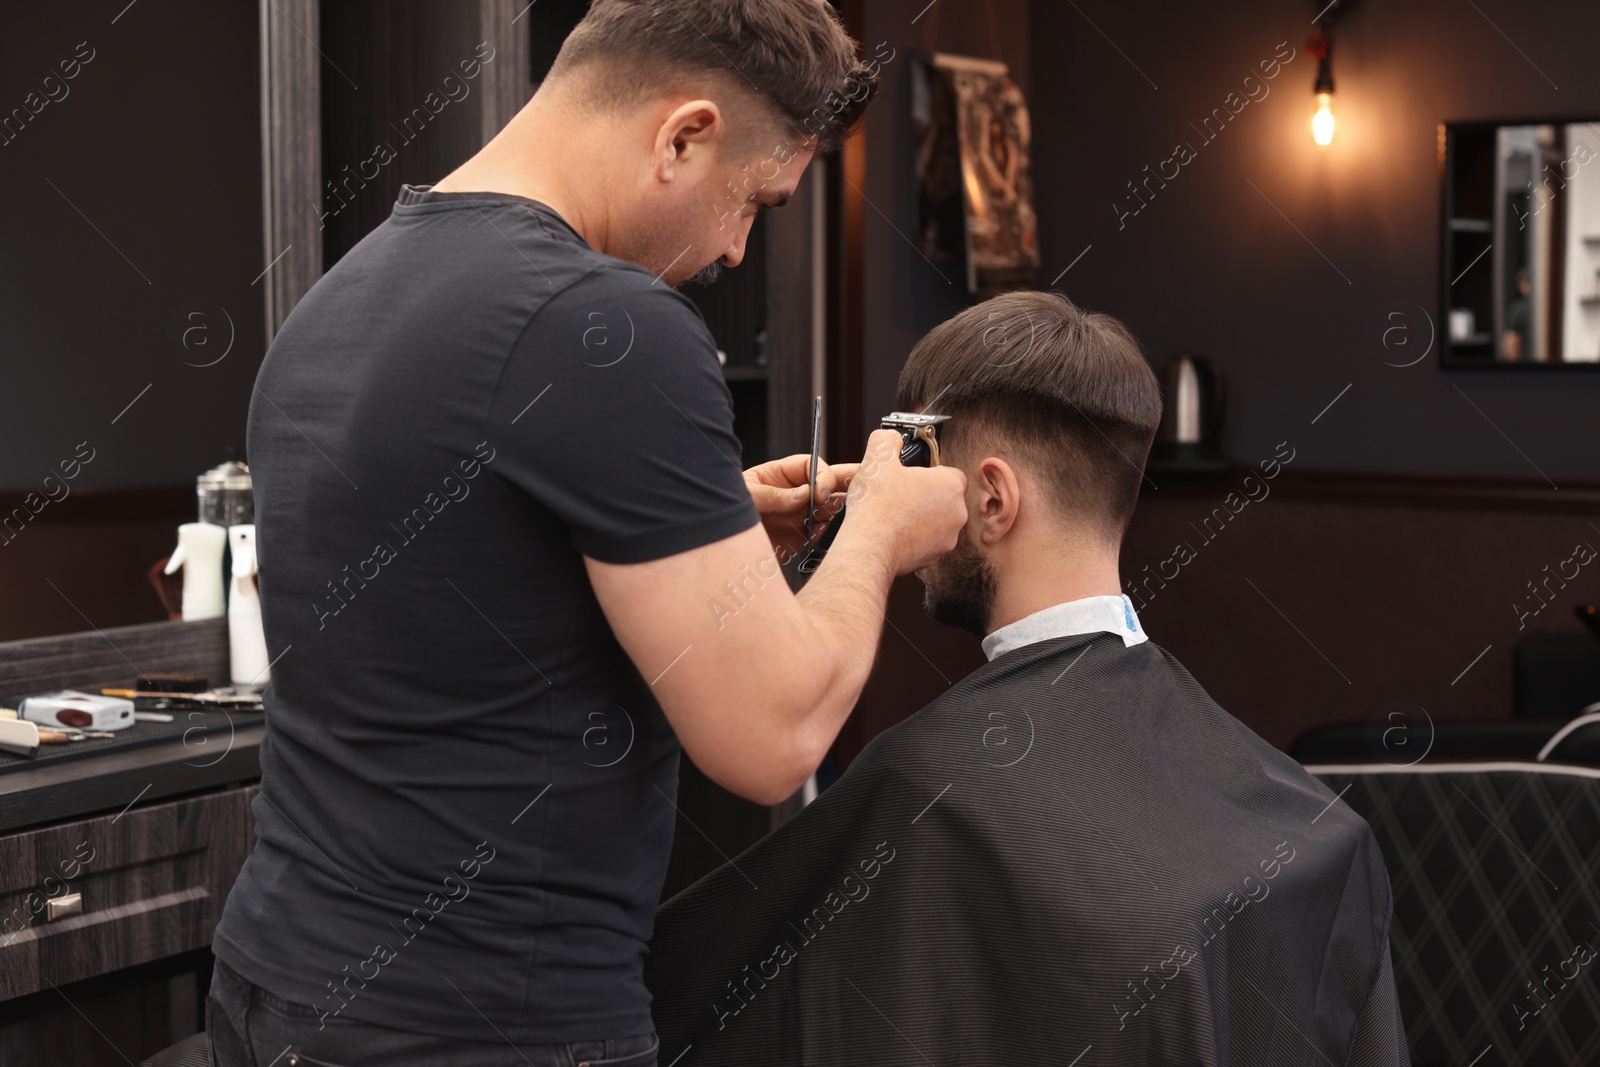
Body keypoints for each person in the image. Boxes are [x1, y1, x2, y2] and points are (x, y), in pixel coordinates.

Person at [206, 4, 967, 1065]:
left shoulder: (344, 293)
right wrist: (882, 527)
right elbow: (771, 736)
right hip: (475, 1022)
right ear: (683, 135)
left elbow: (449, 561)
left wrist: (700, 517)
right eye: (755, 202)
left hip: (272, 981)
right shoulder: (605, 325)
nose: (734, 246)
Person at [645, 290, 1410, 1066]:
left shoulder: (921, 788)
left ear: (991, 498)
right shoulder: (1317, 827)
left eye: (917, 461)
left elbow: (667, 1003)